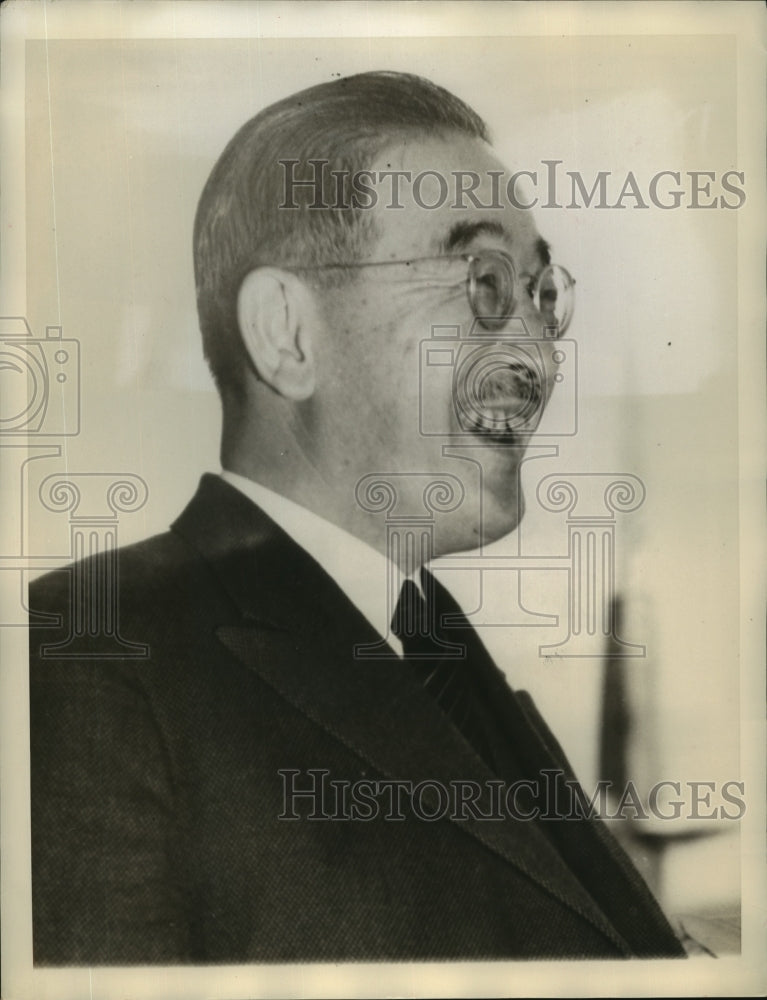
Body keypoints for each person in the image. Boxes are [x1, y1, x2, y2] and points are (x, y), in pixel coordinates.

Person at [29, 71, 685, 964]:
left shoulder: (436, 649)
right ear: (289, 335)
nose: (536, 350)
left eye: (539, 296)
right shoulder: (83, 658)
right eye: (481, 281)